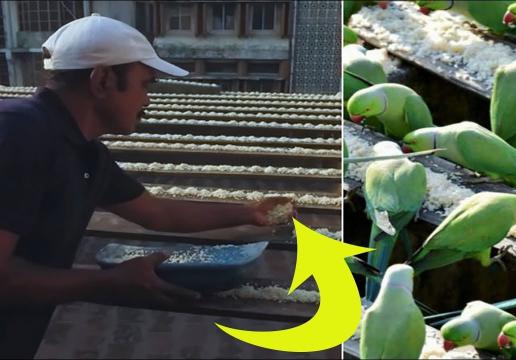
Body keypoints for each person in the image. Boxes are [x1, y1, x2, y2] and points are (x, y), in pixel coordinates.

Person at [0, 14, 295, 357]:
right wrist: (106, 283)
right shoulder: (19, 134)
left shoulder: (84, 153)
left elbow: (159, 213)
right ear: (103, 80)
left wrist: (249, 213)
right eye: (146, 84)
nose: (147, 101)